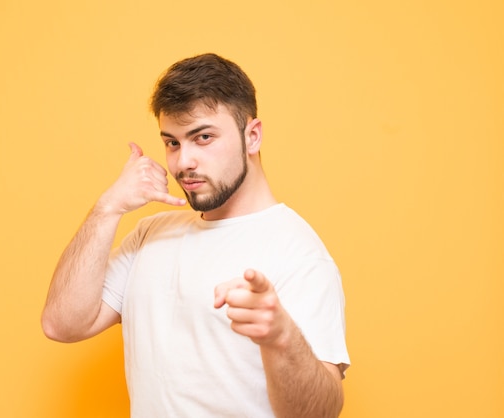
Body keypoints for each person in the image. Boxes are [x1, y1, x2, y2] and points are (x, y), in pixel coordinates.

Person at [42, 53, 350, 418]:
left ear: (252, 136)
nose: (183, 161)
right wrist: (108, 207)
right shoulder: (149, 236)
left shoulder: (298, 253)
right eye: (172, 142)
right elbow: (62, 324)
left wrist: (281, 337)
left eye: (202, 137)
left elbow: (320, 413)